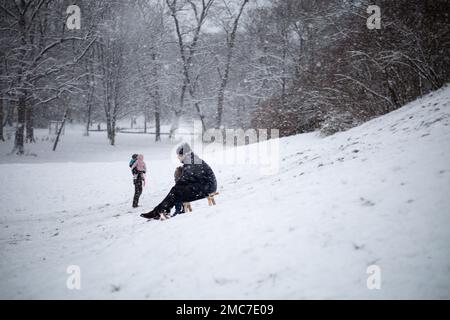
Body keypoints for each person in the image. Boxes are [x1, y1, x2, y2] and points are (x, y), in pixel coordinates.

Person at [140, 143, 217, 219]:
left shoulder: (192, 161)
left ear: (184, 154)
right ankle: (161, 211)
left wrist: (176, 187)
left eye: (179, 155)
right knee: (177, 191)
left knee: (177, 191)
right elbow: (189, 178)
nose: (178, 157)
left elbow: (185, 179)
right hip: (204, 185)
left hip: (207, 187)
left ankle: (160, 211)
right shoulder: (192, 159)